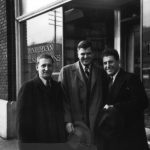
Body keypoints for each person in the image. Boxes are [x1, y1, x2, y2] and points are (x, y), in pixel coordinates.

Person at [95, 48, 149, 150]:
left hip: (130, 137)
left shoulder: (131, 78)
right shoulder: (106, 82)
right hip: (114, 137)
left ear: (118, 61)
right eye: (105, 63)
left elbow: (142, 102)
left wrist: (115, 107)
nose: (107, 66)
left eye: (110, 62)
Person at [58, 40, 107, 147]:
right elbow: (63, 99)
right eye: (82, 54)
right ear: (77, 54)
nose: (86, 56)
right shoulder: (66, 71)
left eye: (88, 53)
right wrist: (67, 121)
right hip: (76, 123)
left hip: (95, 122)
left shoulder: (101, 72)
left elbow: (105, 97)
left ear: (93, 54)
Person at [17, 53, 66, 146]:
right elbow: (22, 124)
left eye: (49, 65)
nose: (47, 69)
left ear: (53, 67)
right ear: (37, 67)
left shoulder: (57, 87)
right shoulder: (27, 88)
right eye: (43, 65)